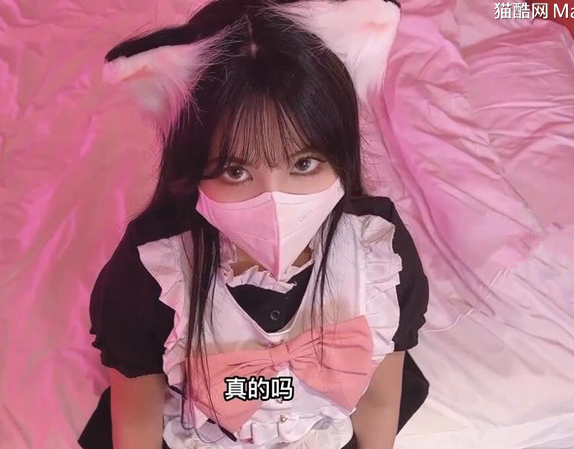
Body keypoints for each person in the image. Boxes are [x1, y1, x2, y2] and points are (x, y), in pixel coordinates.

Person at [78, 0, 429, 447]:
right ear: (192, 168)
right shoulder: (151, 273)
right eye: (235, 171)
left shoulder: (380, 256)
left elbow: (380, 403)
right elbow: (135, 423)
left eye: (303, 164)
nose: (274, 202)